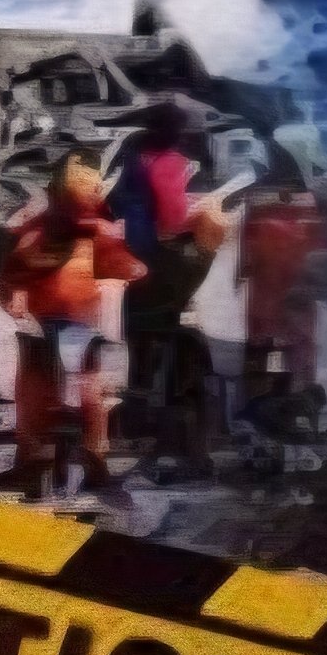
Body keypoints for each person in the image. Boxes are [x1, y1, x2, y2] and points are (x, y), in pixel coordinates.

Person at [0, 150, 142, 496]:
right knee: (45, 385)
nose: (88, 188)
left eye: (91, 182)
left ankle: (88, 460)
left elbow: (123, 263)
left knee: (87, 388)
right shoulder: (40, 226)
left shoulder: (93, 229)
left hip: (76, 323)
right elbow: (12, 271)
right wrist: (15, 293)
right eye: (81, 181)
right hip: (47, 323)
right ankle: (41, 460)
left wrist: (127, 267)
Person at [110, 102, 226, 463]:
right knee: (216, 221)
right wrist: (204, 208)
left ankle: (135, 417)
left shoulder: (131, 155)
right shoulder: (170, 162)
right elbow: (173, 221)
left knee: (141, 346)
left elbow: (114, 205)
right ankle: (170, 427)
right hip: (161, 266)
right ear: (177, 134)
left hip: (130, 264)